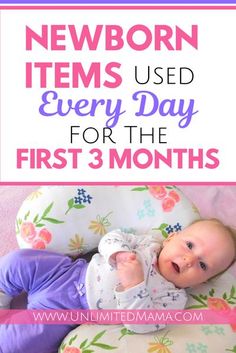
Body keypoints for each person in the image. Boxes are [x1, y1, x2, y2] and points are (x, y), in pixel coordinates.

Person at [0, 219, 235, 353]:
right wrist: (119, 253)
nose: (188, 260)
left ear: (202, 282)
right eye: (190, 245)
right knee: (17, 261)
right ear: (171, 238)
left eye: (203, 265)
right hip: (65, 272)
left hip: (67, 312)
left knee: (19, 344)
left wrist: (134, 284)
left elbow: (141, 325)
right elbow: (111, 238)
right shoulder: (148, 244)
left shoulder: (173, 299)